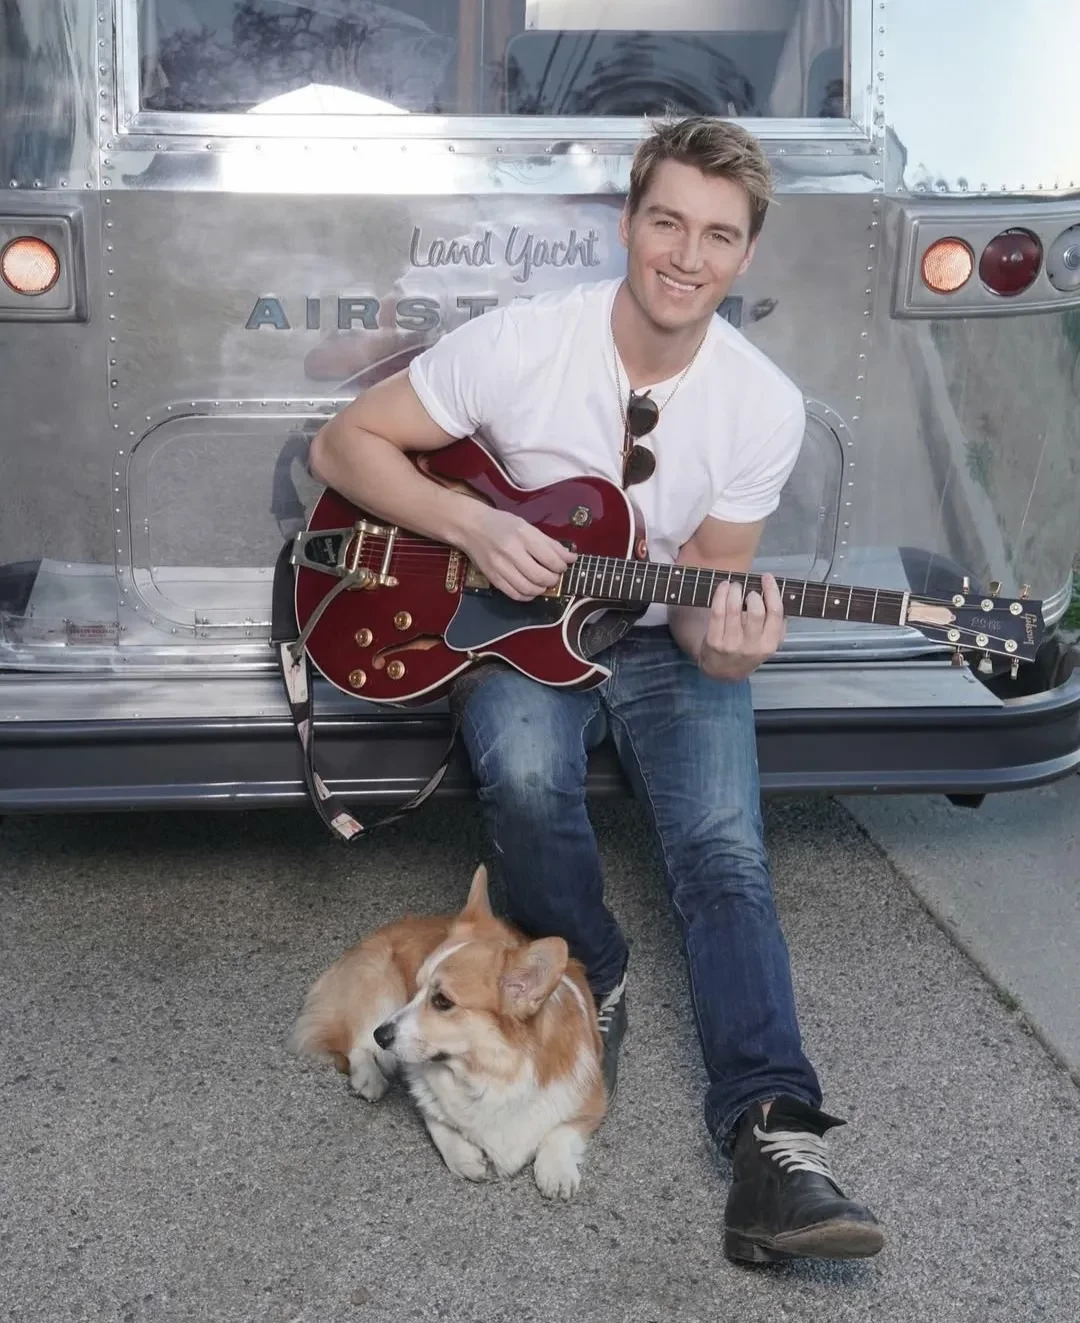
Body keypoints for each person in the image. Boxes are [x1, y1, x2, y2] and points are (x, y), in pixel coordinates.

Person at [307, 115, 883, 1266]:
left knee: (724, 851)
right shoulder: (525, 342)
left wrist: (728, 652)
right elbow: (344, 446)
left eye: (718, 235)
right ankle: (591, 970)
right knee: (524, 774)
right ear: (626, 223)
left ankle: (773, 1134)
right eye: (667, 221)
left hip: (661, 642)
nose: (687, 255)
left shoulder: (761, 406)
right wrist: (469, 523)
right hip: (521, 633)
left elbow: (706, 589)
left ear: (746, 254)